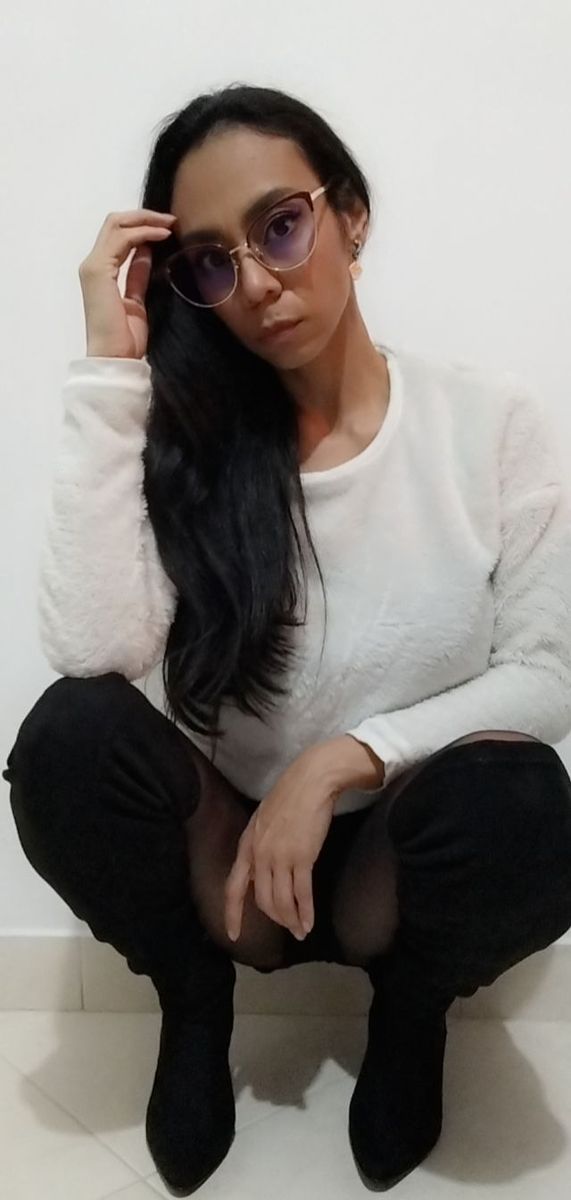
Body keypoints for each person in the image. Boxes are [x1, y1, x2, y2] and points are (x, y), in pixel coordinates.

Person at [4, 82, 571, 1198]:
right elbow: (93, 655)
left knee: (526, 804)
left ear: (350, 215)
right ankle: (192, 996)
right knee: (67, 738)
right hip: (232, 861)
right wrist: (111, 369)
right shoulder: (188, 443)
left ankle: (411, 1010)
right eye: (209, 263)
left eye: (280, 226)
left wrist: (339, 761)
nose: (257, 282)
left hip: (398, 851)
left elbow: (546, 676)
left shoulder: (487, 421)